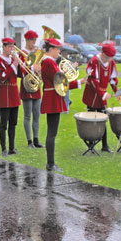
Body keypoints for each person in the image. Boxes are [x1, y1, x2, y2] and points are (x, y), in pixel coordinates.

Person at [41, 38, 86, 171]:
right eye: (57, 49)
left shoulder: (49, 62)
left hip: (53, 97)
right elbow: (61, 82)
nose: (59, 52)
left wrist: (68, 73)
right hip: (52, 98)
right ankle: (50, 163)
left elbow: (59, 78)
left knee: (52, 132)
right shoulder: (49, 62)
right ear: (51, 49)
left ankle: (51, 163)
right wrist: (80, 82)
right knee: (52, 133)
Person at [82, 42, 120, 153]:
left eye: (110, 58)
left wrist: (116, 92)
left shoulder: (111, 62)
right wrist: (103, 94)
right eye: (107, 57)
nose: (109, 60)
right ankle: (91, 145)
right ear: (102, 53)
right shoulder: (94, 61)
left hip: (102, 95)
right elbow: (93, 80)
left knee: (103, 119)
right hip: (92, 95)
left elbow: (113, 79)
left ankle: (104, 145)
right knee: (91, 120)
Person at [0, 38, 22, 156]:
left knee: (13, 123)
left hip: (14, 94)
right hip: (4, 95)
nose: (12, 49)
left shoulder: (13, 59)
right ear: (4, 47)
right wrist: (14, 63)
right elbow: (3, 76)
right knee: (3, 124)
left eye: (13, 47)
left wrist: (20, 63)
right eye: (10, 46)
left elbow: (21, 74)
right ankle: (3, 149)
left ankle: (12, 147)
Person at [19, 30, 44, 148]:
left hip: (36, 86)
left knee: (37, 114)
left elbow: (40, 67)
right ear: (27, 40)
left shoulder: (35, 53)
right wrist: (33, 68)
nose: (34, 42)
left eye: (35, 40)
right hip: (27, 86)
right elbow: (21, 71)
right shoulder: (22, 53)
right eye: (32, 40)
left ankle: (36, 139)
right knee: (27, 115)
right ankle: (29, 141)